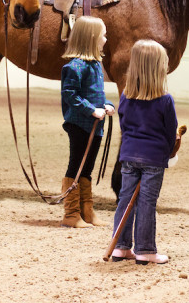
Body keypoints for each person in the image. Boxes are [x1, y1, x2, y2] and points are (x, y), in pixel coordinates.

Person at [110, 40, 178, 265]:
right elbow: (170, 132)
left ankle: (120, 247)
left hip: (128, 156)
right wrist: (169, 152)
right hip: (153, 159)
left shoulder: (125, 97)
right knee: (147, 203)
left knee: (125, 200)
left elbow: (124, 125)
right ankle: (145, 249)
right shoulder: (165, 100)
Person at [60, 16, 115, 228]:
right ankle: (71, 213)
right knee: (76, 165)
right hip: (79, 124)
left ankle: (86, 211)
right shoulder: (74, 67)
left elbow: (96, 95)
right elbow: (70, 95)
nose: (106, 38)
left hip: (94, 124)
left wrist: (106, 104)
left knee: (88, 168)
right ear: (92, 37)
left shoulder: (95, 66)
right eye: (103, 35)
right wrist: (91, 110)